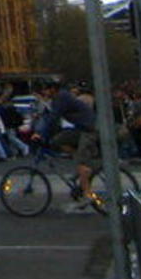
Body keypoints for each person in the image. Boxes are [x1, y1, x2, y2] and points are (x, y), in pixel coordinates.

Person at [36, 79, 101, 213]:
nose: (44, 92)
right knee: (57, 140)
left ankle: (87, 195)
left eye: (45, 89)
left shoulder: (62, 97)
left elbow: (54, 118)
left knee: (82, 163)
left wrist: (40, 134)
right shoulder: (57, 99)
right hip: (80, 128)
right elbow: (52, 119)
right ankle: (78, 159)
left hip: (89, 129)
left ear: (53, 89)